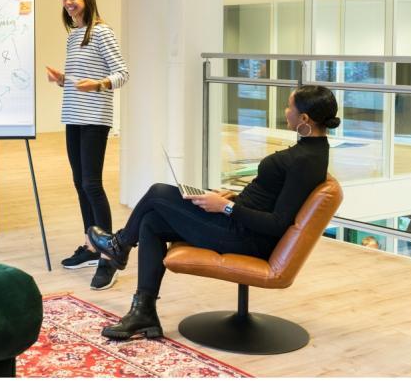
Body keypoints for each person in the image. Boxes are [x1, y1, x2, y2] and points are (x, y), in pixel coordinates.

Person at [87, 85, 340, 339]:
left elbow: (277, 223)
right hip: (238, 223)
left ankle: (119, 246)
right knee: (152, 221)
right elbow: (270, 199)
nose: (285, 112)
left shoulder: (305, 160)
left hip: (247, 237)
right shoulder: (311, 152)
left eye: (289, 107)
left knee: (158, 192)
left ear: (304, 119)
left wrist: (226, 207)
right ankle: (143, 312)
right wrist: (230, 198)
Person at [46, 0, 129, 291]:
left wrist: (100, 84)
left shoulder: (101, 32)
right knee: (79, 183)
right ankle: (92, 245)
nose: (68, 4)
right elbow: (83, 77)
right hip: (73, 116)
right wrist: (64, 79)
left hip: (95, 117)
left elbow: (122, 73)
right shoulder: (74, 35)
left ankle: (110, 254)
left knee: (92, 184)